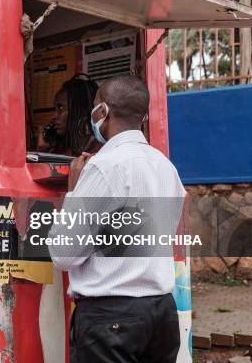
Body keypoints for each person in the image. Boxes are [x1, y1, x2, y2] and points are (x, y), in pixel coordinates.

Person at [48, 75, 185, 362]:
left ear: (102, 112)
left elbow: (64, 254)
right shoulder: (166, 167)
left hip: (111, 320)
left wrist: (73, 192)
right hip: (162, 315)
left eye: (95, 106)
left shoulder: (104, 167)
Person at [36, 74, 100, 155]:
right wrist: (43, 152)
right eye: (55, 109)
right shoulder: (62, 148)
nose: (53, 116)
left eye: (60, 108)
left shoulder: (101, 150)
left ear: (81, 111)